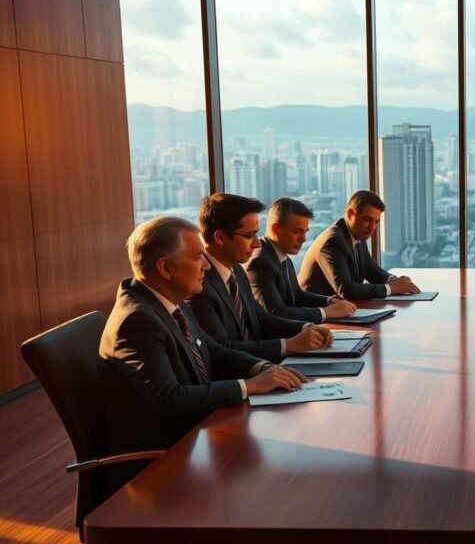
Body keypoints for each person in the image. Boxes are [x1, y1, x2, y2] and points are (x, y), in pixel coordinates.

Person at [100, 216, 307, 452]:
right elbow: (170, 399)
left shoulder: (168, 300)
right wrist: (249, 386)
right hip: (165, 456)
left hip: (198, 432)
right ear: (166, 268)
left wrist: (263, 368)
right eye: (198, 257)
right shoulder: (137, 321)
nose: (207, 266)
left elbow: (213, 350)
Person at [189, 193, 333, 363]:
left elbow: (261, 318)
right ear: (220, 237)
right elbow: (222, 349)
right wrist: (287, 345)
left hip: (262, 366)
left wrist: (306, 328)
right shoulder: (198, 286)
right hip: (242, 376)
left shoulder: (236, 270)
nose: (257, 243)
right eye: (249, 235)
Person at [246, 197, 357, 322]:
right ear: (276, 229)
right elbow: (276, 312)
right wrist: (325, 312)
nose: (303, 239)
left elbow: (297, 295)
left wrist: (329, 301)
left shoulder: (281, 254)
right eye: (297, 232)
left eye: (305, 232)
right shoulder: (260, 262)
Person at [299, 190, 419, 300]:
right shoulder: (333, 242)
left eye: (376, 222)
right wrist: (391, 288)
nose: (372, 227)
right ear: (350, 214)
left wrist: (395, 280)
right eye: (367, 219)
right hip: (317, 314)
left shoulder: (357, 234)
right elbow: (346, 290)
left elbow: (372, 271)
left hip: (341, 308)